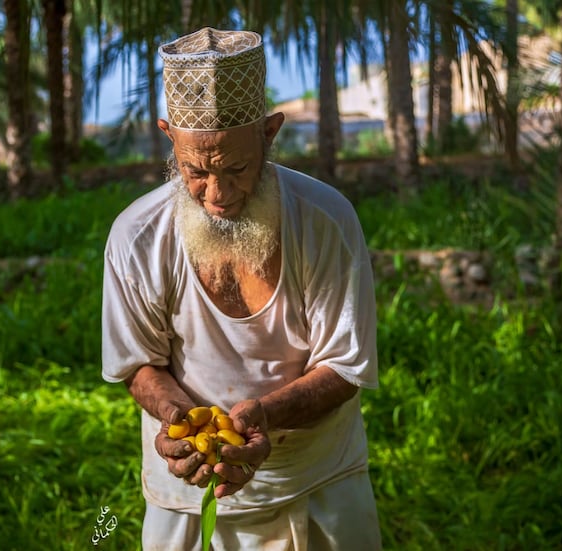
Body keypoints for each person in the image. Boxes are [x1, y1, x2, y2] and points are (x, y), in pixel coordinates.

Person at [101, 27, 381, 550]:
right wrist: (175, 419)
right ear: (169, 135)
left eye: (236, 168)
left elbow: (346, 365)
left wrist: (265, 416)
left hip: (316, 481)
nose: (218, 194)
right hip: (185, 490)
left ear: (270, 133)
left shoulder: (325, 220)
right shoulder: (137, 236)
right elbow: (138, 361)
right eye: (196, 171)